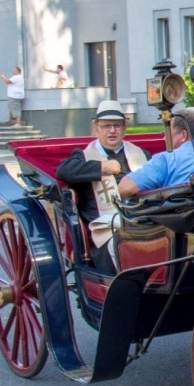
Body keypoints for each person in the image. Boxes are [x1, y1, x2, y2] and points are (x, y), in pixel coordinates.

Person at [54, 100, 150, 274]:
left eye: (117, 125)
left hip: (141, 219)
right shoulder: (83, 155)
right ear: (96, 128)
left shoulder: (141, 155)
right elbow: (63, 171)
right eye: (106, 126)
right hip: (104, 229)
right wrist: (102, 168)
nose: (112, 130)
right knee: (121, 246)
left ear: (124, 128)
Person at [118, 109, 194, 197]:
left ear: (183, 135)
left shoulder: (166, 160)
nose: (164, 138)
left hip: (177, 213)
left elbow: (125, 188)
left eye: (168, 133)